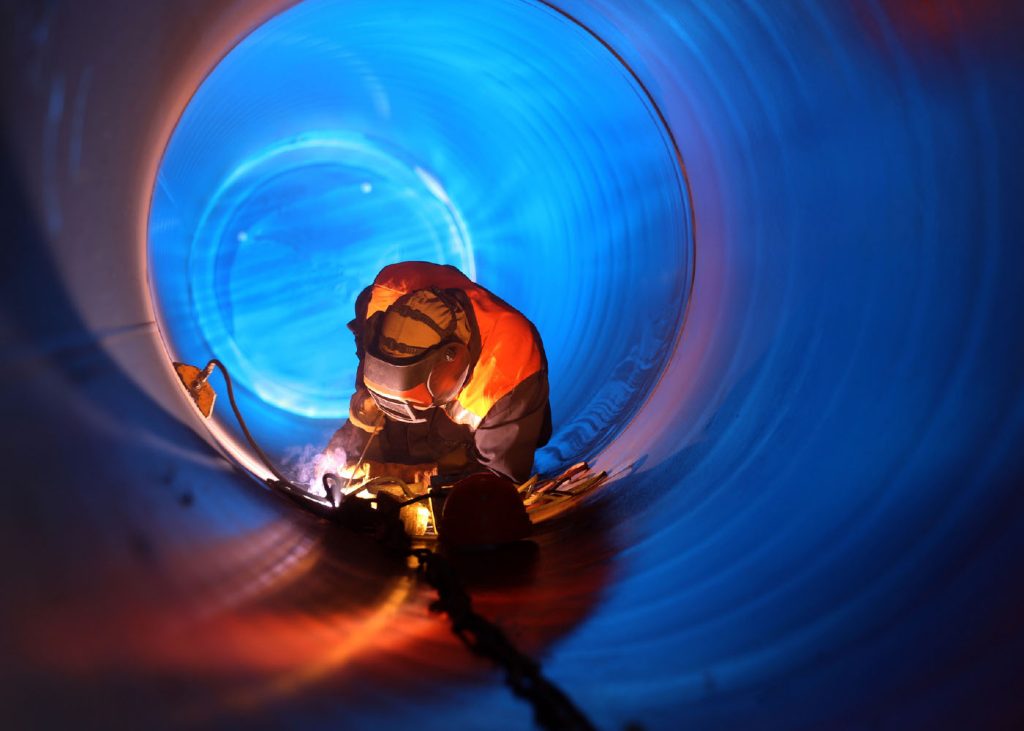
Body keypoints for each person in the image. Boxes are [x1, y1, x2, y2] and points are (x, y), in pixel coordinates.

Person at [320, 261, 551, 493]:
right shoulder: (385, 294)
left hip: (486, 434)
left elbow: (495, 484)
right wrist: (361, 415)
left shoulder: (510, 372)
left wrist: (404, 477)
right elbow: (367, 356)